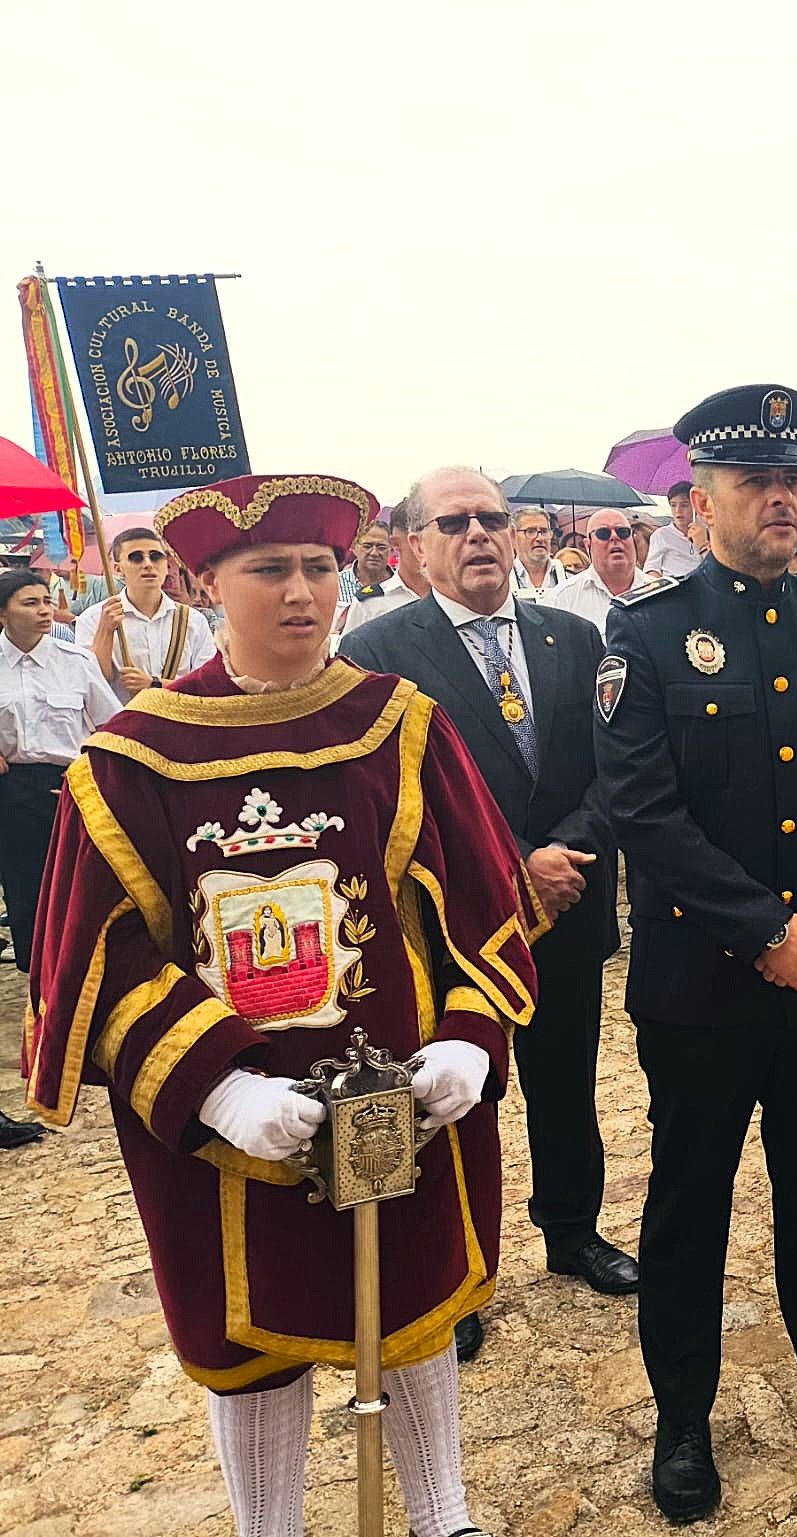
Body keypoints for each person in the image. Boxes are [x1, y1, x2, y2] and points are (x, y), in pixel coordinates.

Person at [25, 472, 539, 1537]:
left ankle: (443, 1512)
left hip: (399, 1093)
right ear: (209, 581)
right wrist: (214, 1089)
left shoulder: (399, 725)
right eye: (271, 570)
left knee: (410, 1305)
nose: (301, 592)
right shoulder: (132, 760)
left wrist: (471, 1039)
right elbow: (95, 961)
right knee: (247, 1337)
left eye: (318, 566)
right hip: (231, 1123)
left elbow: (483, 900)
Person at [593, 384, 797, 1524]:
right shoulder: (645, 632)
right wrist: (765, 929)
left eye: (793, 482)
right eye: (754, 484)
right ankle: (684, 1414)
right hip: (704, 985)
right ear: (699, 504)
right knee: (691, 1202)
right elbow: (644, 808)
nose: (781, 501)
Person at [338, 468, 634, 1365]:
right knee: (455, 1095)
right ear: (415, 546)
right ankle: (455, 1271)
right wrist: (512, 866)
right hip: (449, 920)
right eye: (455, 521)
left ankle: (573, 1228)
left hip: (569, 899)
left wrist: (560, 854)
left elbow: (615, 767)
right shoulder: (378, 649)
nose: (479, 535)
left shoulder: (575, 637)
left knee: (566, 1077)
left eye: (493, 519)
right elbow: (383, 796)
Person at [0, 569, 117, 1147]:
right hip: (9, 792)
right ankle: (37, 1010)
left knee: (73, 899)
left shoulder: (75, 663)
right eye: (30, 602)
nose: (45, 610)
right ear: (3, 613)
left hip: (70, 786)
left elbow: (112, 723)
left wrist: (89, 772)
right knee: (25, 907)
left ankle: (74, 1001)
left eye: (48, 601)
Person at [76, 527, 218, 702]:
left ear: (166, 565)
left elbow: (207, 684)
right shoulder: (93, 619)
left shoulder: (193, 621)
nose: (148, 564)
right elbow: (91, 685)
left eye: (155, 556)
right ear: (118, 569)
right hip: (121, 724)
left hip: (180, 722)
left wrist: (155, 684)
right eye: (136, 558)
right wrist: (105, 631)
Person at [541, 506, 655, 639]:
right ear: (588, 545)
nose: (614, 537)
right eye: (603, 534)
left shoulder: (661, 594)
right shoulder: (561, 600)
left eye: (622, 532)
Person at [338, 495, 430, 637]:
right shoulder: (369, 602)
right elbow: (347, 656)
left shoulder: (453, 597)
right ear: (396, 544)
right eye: (367, 546)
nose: (374, 553)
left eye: (381, 547)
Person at [644, 480, 702, 578]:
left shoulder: (707, 533)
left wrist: (702, 543)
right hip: (674, 585)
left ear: (695, 506)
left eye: (684, 505)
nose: (678, 510)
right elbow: (651, 568)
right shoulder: (661, 534)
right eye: (673, 505)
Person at [510, 507, 567, 601]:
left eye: (544, 531)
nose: (540, 538)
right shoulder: (502, 582)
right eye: (530, 531)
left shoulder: (569, 578)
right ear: (513, 536)